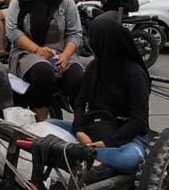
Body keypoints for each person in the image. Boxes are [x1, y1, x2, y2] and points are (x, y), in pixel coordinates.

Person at [49, 16, 150, 178]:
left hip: (126, 137)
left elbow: (139, 121)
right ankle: (85, 156)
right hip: (92, 129)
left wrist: (107, 143)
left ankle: (79, 156)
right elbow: (80, 103)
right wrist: (79, 130)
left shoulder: (134, 73)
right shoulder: (95, 67)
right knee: (47, 125)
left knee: (127, 159)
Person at [6, 0, 84, 121]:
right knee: (43, 72)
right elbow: (12, 31)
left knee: (78, 77)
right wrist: (37, 50)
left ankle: (80, 125)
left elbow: (75, 33)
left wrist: (65, 56)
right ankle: (41, 124)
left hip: (60, 54)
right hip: (26, 54)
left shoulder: (64, 1)